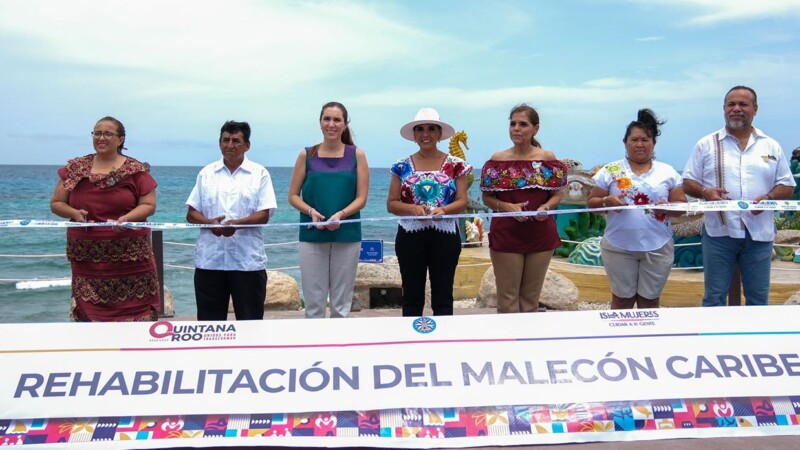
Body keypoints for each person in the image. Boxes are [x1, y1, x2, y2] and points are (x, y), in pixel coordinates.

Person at [683, 86, 796, 306]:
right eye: (731, 104)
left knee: (758, 300)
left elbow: (787, 185)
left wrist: (769, 197)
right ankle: (715, 331)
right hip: (718, 234)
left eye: (743, 104)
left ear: (755, 109)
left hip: (759, 235)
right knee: (714, 298)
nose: (736, 109)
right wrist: (705, 192)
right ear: (724, 109)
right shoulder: (706, 144)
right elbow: (688, 182)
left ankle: (753, 331)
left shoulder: (771, 145)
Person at [50, 116, 160, 322]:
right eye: (97, 133)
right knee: (91, 317)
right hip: (87, 260)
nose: (101, 138)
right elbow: (56, 203)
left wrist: (127, 219)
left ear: (121, 139)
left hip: (131, 257)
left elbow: (148, 205)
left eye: (108, 133)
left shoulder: (135, 170)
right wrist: (74, 213)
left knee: (137, 314)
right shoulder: (76, 169)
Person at [587, 109, 686, 309]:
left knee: (650, 301)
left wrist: (668, 208)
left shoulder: (668, 172)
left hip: (658, 246)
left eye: (645, 140)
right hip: (618, 246)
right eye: (634, 140)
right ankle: (618, 331)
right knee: (622, 300)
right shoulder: (610, 171)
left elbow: (682, 206)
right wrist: (607, 201)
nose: (639, 144)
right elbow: (592, 204)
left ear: (653, 143)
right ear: (625, 142)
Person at [480, 104, 567, 313]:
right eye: (513, 124)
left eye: (523, 124)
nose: (516, 129)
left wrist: (545, 208)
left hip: (540, 235)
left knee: (530, 301)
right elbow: (487, 198)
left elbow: (557, 195)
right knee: (507, 300)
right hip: (506, 234)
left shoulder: (548, 159)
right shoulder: (497, 160)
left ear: (536, 129)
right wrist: (507, 207)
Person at [186, 120, 278, 320]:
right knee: (209, 326)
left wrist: (236, 224)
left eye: (236, 141)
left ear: (247, 146)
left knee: (251, 323)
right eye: (225, 140)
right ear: (219, 143)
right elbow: (191, 213)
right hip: (210, 262)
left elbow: (264, 214)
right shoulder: (206, 173)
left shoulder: (259, 174)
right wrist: (210, 223)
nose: (230, 145)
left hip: (247, 262)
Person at [387, 108, 472, 317]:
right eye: (420, 129)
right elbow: (392, 204)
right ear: (414, 134)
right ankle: (411, 335)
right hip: (410, 236)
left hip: (445, 236)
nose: (426, 134)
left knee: (443, 296)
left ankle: (443, 336)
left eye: (432, 129)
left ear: (440, 133)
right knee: (411, 296)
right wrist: (412, 209)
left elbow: (462, 201)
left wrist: (444, 210)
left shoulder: (456, 165)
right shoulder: (401, 166)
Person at [288, 102, 369, 318]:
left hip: (347, 234)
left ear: (345, 124)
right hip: (312, 234)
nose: (331, 124)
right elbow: (293, 196)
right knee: (314, 303)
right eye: (327, 119)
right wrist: (311, 212)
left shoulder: (357, 155)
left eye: (337, 120)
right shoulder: (307, 154)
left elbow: (361, 198)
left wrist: (341, 215)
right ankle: (315, 340)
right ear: (320, 122)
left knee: (341, 304)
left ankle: (339, 339)